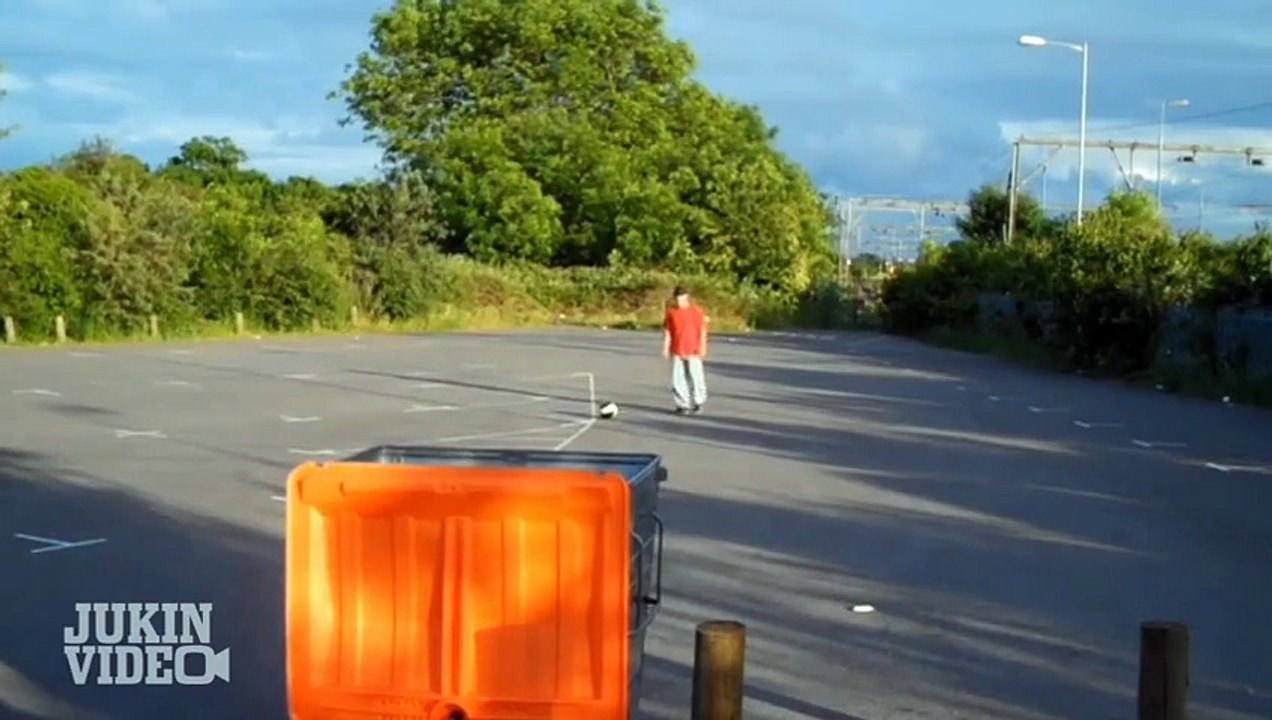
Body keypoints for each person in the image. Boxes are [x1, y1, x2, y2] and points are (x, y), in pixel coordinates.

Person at [662, 285, 708, 414]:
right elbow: (668, 331)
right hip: (677, 349)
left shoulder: (696, 311)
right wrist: (666, 347)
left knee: (695, 376)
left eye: (682, 299)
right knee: (678, 378)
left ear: (687, 298)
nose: (679, 302)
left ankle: (698, 401)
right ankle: (683, 404)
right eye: (677, 299)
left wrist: (702, 347)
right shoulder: (672, 313)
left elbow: (702, 330)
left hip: (693, 349)